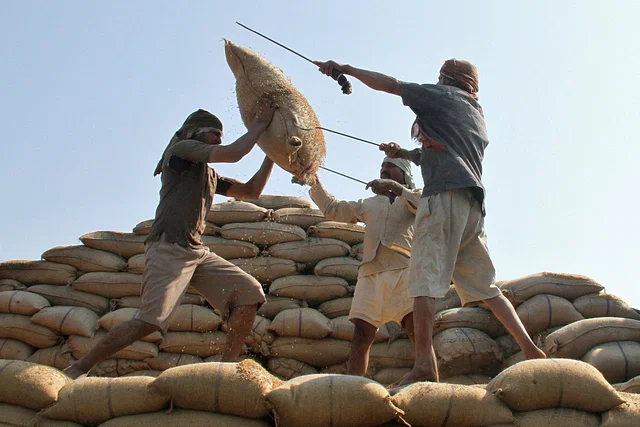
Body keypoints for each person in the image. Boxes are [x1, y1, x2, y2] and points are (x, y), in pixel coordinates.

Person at [314, 59, 546, 384]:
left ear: (447, 79)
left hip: (443, 199)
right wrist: (404, 153)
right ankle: (531, 350)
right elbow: (439, 154)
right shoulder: (474, 113)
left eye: (440, 77)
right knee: (486, 286)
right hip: (471, 204)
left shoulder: (442, 97)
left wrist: (346, 70)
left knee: (423, 282)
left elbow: (391, 84)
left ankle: (424, 365)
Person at [64, 98, 277, 379]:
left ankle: (224, 372)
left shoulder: (209, 174)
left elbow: (251, 191)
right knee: (150, 321)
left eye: (219, 136)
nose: (217, 140)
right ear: (192, 134)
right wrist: (261, 125)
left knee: (249, 294)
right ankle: (79, 367)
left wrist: (273, 153)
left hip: (196, 252)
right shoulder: (181, 151)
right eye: (212, 134)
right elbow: (234, 153)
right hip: (168, 247)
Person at [307, 157, 421, 376]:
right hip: (370, 273)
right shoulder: (370, 203)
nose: (384, 169)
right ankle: (354, 387)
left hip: (403, 271)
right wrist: (313, 180)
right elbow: (334, 209)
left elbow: (425, 205)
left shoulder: (413, 198)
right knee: (362, 334)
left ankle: (427, 379)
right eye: (382, 167)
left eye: (390, 167)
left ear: (404, 174)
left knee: (416, 330)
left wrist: (396, 189)